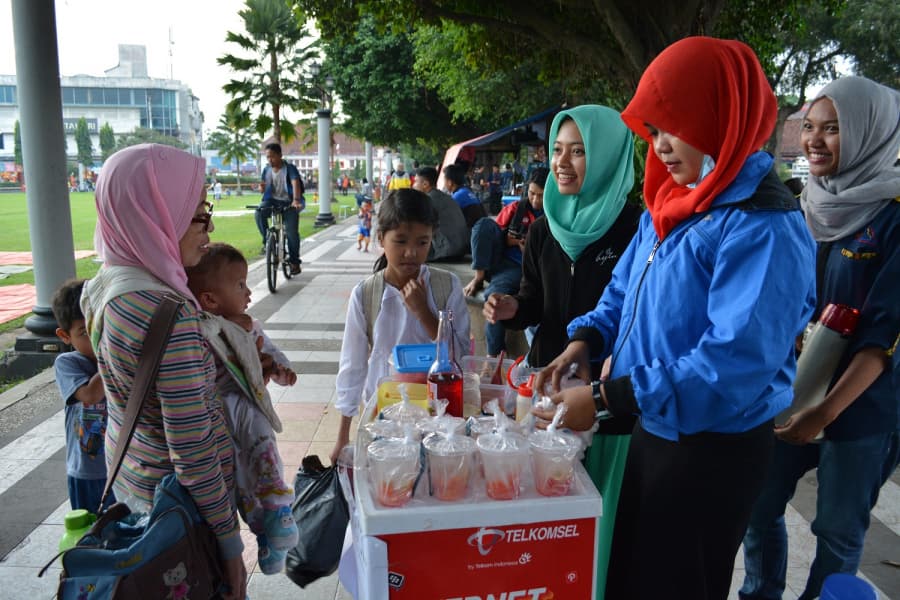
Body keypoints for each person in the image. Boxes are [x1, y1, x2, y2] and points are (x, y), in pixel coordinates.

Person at [532, 38, 817, 600]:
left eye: (674, 127)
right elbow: (624, 289)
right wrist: (586, 338)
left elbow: (732, 364)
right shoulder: (672, 202)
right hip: (657, 425)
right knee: (633, 576)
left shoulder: (761, 224)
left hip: (712, 447)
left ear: (719, 119)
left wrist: (609, 396)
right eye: (653, 130)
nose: (660, 146)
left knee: (677, 582)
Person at [740, 76, 900, 600]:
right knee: (759, 507)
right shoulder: (805, 204)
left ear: (870, 132)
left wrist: (824, 413)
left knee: (836, 530)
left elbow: (881, 341)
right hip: (790, 390)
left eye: (833, 129)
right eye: (808, 126)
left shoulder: (893, 216)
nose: (814, 140)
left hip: (861, 408)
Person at [483, 105, 642, 598]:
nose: (562, 163)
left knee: (599, 511)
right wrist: (512, 308)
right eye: (557, 150)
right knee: (546, 508)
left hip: (607, 394)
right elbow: (535, 302)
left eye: (578, 151)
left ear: (609, 157)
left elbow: (629, 311)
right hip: (548, 383)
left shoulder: (637, 227)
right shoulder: (543, 227)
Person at [81, 143, 247, 599]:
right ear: (155, 212)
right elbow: (192, 451)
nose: (209, 229)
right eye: (198, 214)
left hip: (134, 487)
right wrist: (229, 544)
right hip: (178, 518)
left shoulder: (106, 285)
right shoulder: (168, 314)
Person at [330, 188, 470, 464]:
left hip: (437, 413)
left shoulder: (446, 286)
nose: (411, 252)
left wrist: (423, 311)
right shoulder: (366, 294)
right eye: (401, 241)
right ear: (381, 238)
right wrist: (342, 436)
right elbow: (352, 366)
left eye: (422, 242)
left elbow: (460, 355)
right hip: (383, 415)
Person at [185, 242, 300, 575]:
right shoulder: (202, 329)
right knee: (240, 478)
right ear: (210, 300)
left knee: (264, 451)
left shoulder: (251, 326)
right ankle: (264, 527)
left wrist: (280, 369)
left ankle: (276, 514)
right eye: (240, 285)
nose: (248, 292)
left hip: (247, 408)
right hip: (219, 414)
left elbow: (271, 353)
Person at [465, 167, 549, 357]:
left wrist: (531, 250)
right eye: (532, 193)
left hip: (523, 269)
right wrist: (509, 240)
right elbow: (493, 234)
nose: (536, 200)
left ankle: (494, 356)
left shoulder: (555, 216)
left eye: (541, 196)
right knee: (483, 224)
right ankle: (478, 276)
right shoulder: (515, 209)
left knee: (495, 299)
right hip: (503, 260)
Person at [52, 278, 114, 513]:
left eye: (101, 326)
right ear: (65, 336)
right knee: (90, 526)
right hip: (87, 472)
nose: (97, 337)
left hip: (121, 465)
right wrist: (112, 351)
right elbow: (90, 395)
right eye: (85, 332)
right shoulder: (67, 363)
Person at [256, 143, 304, 275]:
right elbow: (263, 187)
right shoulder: (266, 170)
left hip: (289, 202)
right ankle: (267, 241)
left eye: (272, 156)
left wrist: (296, 200)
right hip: (272, 201)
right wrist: (261, 188)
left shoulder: (289, 168)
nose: (270, 160)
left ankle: (294, 262)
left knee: (291, 232)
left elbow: (295, 182)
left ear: (280, 155)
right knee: (259, 212)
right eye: (267, 157)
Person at [413, 166, 470, 261]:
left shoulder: (427, 201)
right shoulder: (446, 197)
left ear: (425, 184)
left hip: (445, 252)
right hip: (460, 250)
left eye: (415, 182)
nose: (413, 185)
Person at [442, 163, 488, 228]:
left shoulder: (457, 197)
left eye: (444, 180)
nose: (444, 183)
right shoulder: (467, 191)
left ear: (450, 182)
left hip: (472, 232)